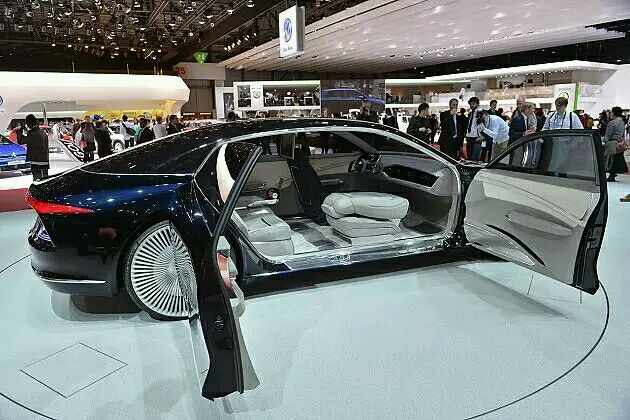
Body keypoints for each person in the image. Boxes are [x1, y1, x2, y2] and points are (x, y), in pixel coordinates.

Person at [19, 114, 49, 180]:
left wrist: (21, 129)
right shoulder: (43, 133)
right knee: (45, 180)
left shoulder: (33, 133)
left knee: (37, 180)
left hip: (36, 161)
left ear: (29, 123)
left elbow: (20, 141)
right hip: (45, 160)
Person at [603, 106, 628, 182]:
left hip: (612, 142)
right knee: (616, 159)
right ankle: (613, 174)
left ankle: (611, 175)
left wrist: (604, 141)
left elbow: (608, 134)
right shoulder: (622, 122)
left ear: (614, 113)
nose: (610, 113)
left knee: (609, 159)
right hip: (619, 142)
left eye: (611, 112)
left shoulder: (612, 123)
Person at [465, 97, 481, 161]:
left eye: (473, 104)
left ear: (477, 104)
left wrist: (482, 136)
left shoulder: (481, 113)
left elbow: (485, 125)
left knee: (474, 158)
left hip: (477, 138)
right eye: (470, 104)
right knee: (469, 157)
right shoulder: (470, 114)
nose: (471, 105)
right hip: (469, 138)